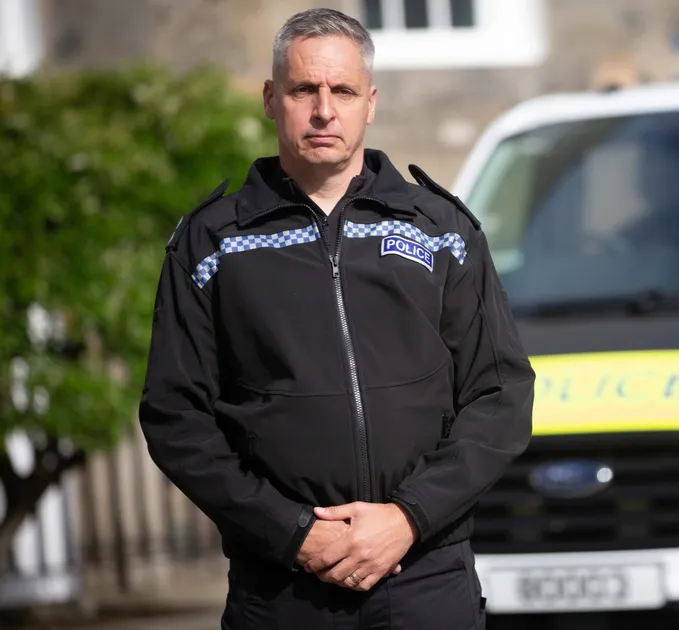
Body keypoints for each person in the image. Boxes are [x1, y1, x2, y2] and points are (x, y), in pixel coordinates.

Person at [137, 8, 535, 629]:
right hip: (280, 590)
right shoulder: (210, 244)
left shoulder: (442, 230)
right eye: (304, 89)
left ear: (370, 103)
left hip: (425, 577)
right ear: (271, 99)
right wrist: (293, 533)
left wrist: (408, 518)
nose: (324, 110)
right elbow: (176, 417)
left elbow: (500, 395)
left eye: (343, 91)